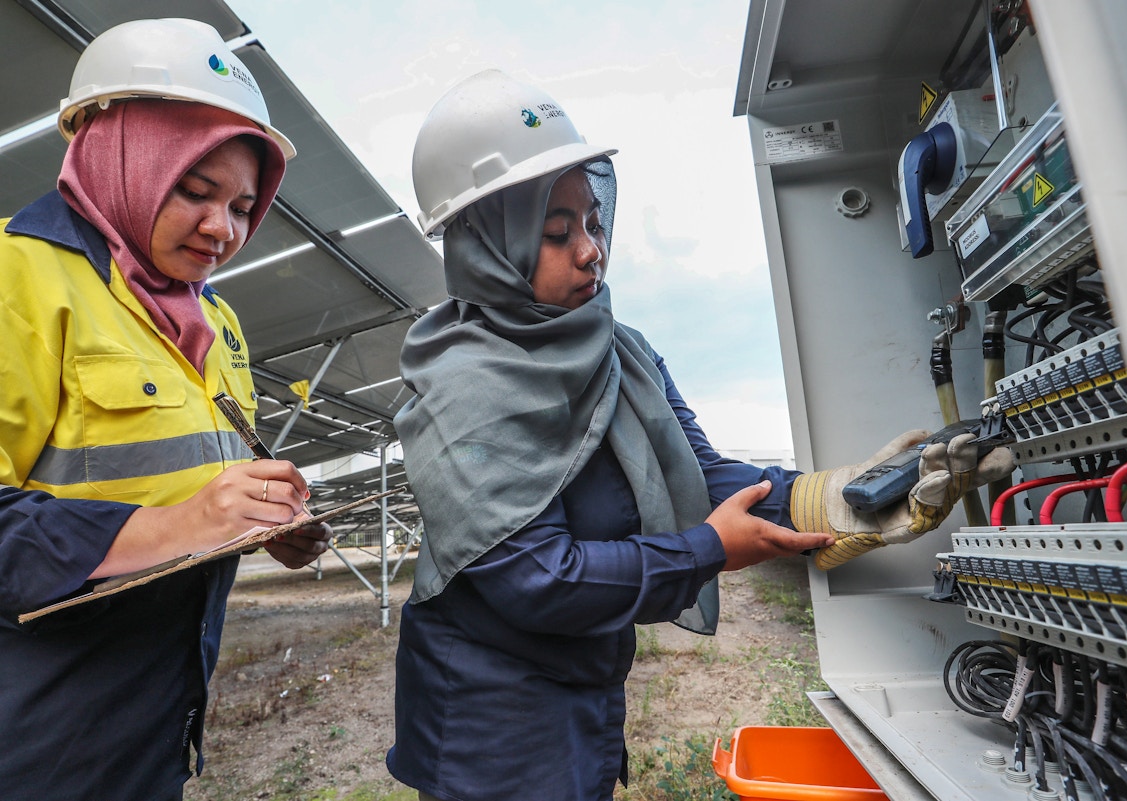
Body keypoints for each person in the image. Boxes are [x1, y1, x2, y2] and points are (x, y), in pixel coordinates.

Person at [385, 69, 1015, 801]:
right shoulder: (462, 386)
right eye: (556, 234)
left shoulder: (619, 348)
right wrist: (709, 549)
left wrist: (850, 499)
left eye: (592, 221)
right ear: (485, 246)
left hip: (581, 686)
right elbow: (538, 580)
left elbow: (706, 478)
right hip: (490, 723)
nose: (591, 249)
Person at [0, 18, 333, 800]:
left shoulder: (214, 319)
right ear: (121, 155)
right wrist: (189, 523)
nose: (224, 229)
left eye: (247, 206)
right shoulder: (18, 276)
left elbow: (200, 478)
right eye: (195, 189)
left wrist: (260, 525)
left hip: (157, 717)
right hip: (35, 738)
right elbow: (177, 513)